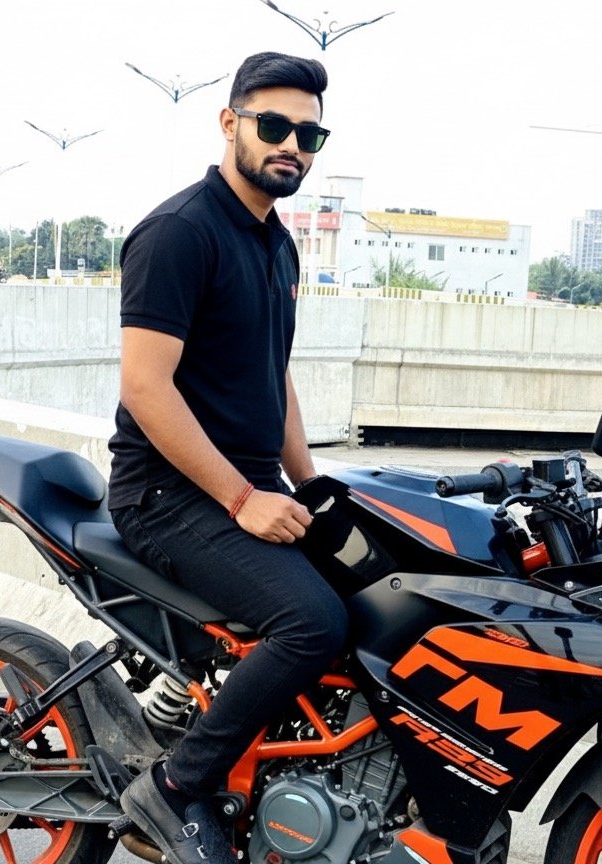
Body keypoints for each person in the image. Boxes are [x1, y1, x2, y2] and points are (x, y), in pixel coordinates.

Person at [106, 52, 347, 864]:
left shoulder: (278, 244)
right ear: (229, 123)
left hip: (248, 483)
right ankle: (176, 788)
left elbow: (272, 373)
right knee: (312, 623)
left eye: (309, 135)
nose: (292, 146)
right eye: (274, 126)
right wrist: (243, 498)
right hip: (166, 494)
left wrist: (311, 484)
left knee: (376, 583)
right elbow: (145, 387)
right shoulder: (180, 232)